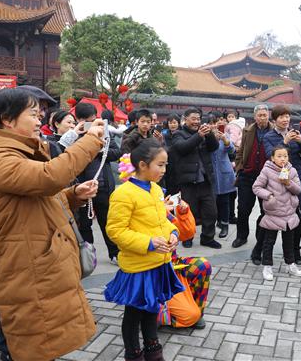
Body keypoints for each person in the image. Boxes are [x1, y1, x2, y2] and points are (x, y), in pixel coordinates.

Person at [0, 87, 105, 360]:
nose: (40, 121)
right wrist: (90, 141)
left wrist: (73, 194)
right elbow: (48, 178)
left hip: (36, 263)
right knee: (31, 344)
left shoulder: (15, 151)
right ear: (7, 119)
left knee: (41, 342)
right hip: (26, 267)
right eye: (34, 114)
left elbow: (37, 198)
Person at [104, 139, 184, 361]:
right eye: (160, 165)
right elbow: (116, 231)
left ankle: (153, 350)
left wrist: (173, 233)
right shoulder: (124, 193)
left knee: (152, 309)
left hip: (158, 262)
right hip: (138, 266)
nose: (164, 170)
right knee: (133, 315)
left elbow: (163, 220)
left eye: (165, 165)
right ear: (142, 165)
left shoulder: (156, 189)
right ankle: (133, 353)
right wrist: (148, 243)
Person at [263, 105, 301, 265]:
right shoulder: (269, 137)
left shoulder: (294, 133)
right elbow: (270, 156)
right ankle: (268, 252)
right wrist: (284, 142)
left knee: (297, 216)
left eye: (287, 116)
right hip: (277, 182)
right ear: (274, 120)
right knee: (276, 217)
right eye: (281, 117)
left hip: (296, 177)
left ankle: (295, 251)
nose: (285, 119)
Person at [75, 102, 122, 264]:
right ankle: (89, 256)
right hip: (82, 187)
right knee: (84, 224)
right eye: (87, 121)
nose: (91, 124)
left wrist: (101, 150)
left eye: (93, 119)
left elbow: (117, 152)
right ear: (79, 120)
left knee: (107, 221)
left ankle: (114, 253)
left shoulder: (104, 131)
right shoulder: (74, 135)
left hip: (103, 186)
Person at [171, 108, 221, 249]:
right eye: (193, 119)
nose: (196, 122)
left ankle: (207, 238)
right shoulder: (178, 134)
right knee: (188, 212)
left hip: (205, 179)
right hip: (188, 181)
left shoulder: (203, 132)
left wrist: (209, 134)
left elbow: (214, 147)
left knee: (211, 211)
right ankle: (188, 237)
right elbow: (182, 148)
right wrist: (199, 136)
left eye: (198, 119)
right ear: (185, 119)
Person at [252, 145, 301, 280]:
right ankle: (267, 266)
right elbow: (256, 187)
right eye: (279, 156)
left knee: (289, 241)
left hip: (289, 213)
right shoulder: (267, 171)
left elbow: (298, 190)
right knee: (269, 241)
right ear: (272, 158)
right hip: (273, 212)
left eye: (285, 156)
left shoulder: (292, 170)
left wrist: (288, 182)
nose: (282, 159)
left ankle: (290, 264)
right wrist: (269, 196)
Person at [159, 199, 210, 330]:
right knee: (190, 316)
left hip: (171, 267)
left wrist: (183, 213)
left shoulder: (157, 198)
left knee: (202, 265)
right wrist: (159, 211)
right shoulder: (132, 200)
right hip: (152, 273)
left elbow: (187, 233)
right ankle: (152, 315)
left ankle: (195, 310)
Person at [232, 105, 273, 262]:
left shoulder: (274, 131)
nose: (262, 118)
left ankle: (260, 239)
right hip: (247, 176)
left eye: (265, 115)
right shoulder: (248, 130)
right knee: (243, 209)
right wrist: (239, 167)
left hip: (266, 178)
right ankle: (241, 236)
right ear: (255, 117)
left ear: (268, 116)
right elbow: (241, 150)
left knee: (265, 210)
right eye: (260, 115)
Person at [207, 112, 236, 239]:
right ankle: (215, 223)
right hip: (211, 174)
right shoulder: (203, 137)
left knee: (224, 201)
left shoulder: (224, 135)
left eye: (214, 123)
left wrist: (225, 140)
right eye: (210, 123)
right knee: (212, 202)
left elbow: (232, 151)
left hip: (224, 173)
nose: (213, 125)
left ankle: (225, 225)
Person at [224, 109, 244, 224]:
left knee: (231, 191)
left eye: (232, 116)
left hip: (233, 153)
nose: (231, 119)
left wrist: (228, 143)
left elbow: (233, 139)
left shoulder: (233, 125)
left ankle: (229, 216)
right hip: (235, 156)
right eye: (229, 117)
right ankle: (229, 215)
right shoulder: (241, 124)